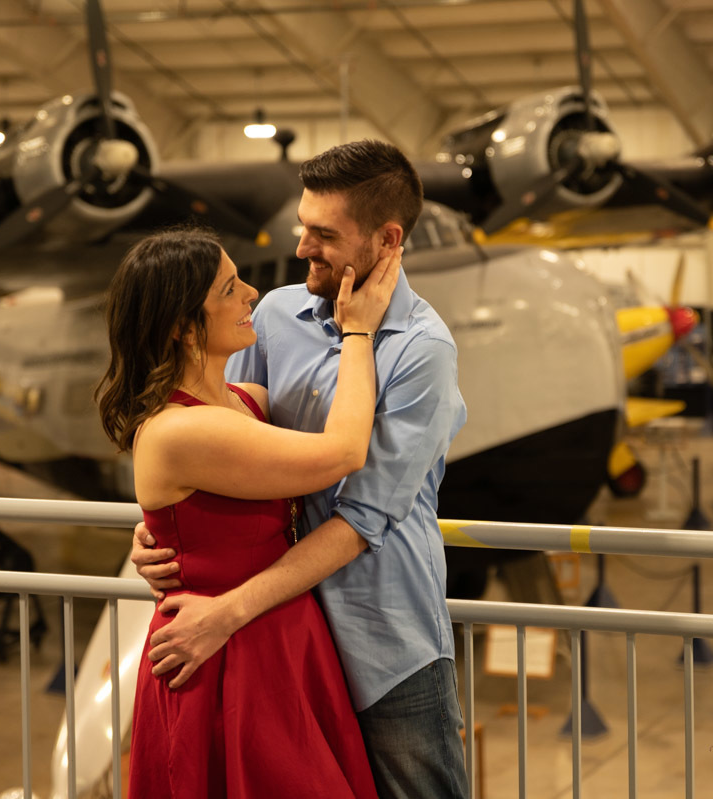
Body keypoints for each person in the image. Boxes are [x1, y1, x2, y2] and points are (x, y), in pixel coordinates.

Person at [131, 140, 471, 799]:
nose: (301, 249)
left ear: (387, 238)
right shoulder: (277, 315)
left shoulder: (423, 352)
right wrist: (161, 526)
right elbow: (220, 433)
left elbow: (359, 520)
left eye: (323, 234)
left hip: (382, 640)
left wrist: (226, 612)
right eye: (301, 228)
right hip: (279, 639)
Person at [97, 225, 399, 798]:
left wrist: (162, 532)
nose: (251, 294)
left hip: (271, 641)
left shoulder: (239, 401)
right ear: (186, 327)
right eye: (228, 289)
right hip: (223, 656)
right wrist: (359, 329)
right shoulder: (181, 430)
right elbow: (343, 451)